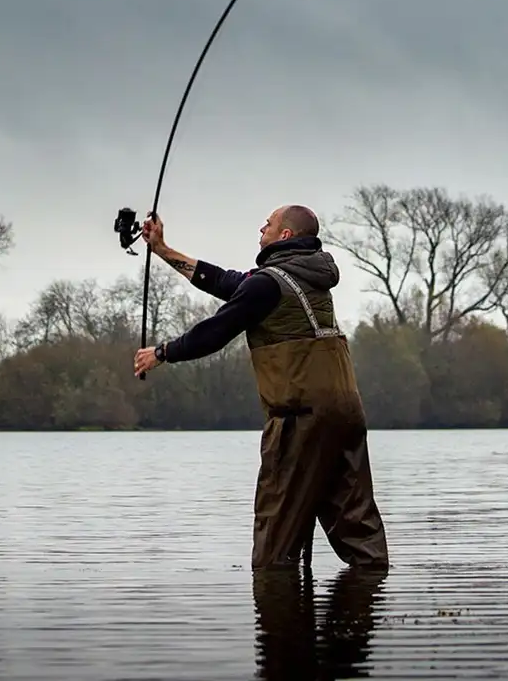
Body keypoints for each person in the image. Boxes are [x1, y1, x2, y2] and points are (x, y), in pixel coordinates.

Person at [133, 204, 389, 571]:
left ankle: (277, 602)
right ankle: (370, 596)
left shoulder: (267, 284)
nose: (261, 228)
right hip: (346, 412)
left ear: (284, 235)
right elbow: (223, 281)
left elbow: (216, 332)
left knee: (275, 541)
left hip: (300, 418)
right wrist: (162, 250)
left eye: (267, 224)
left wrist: (162, 353)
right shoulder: (308, 277)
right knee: (356, 523)